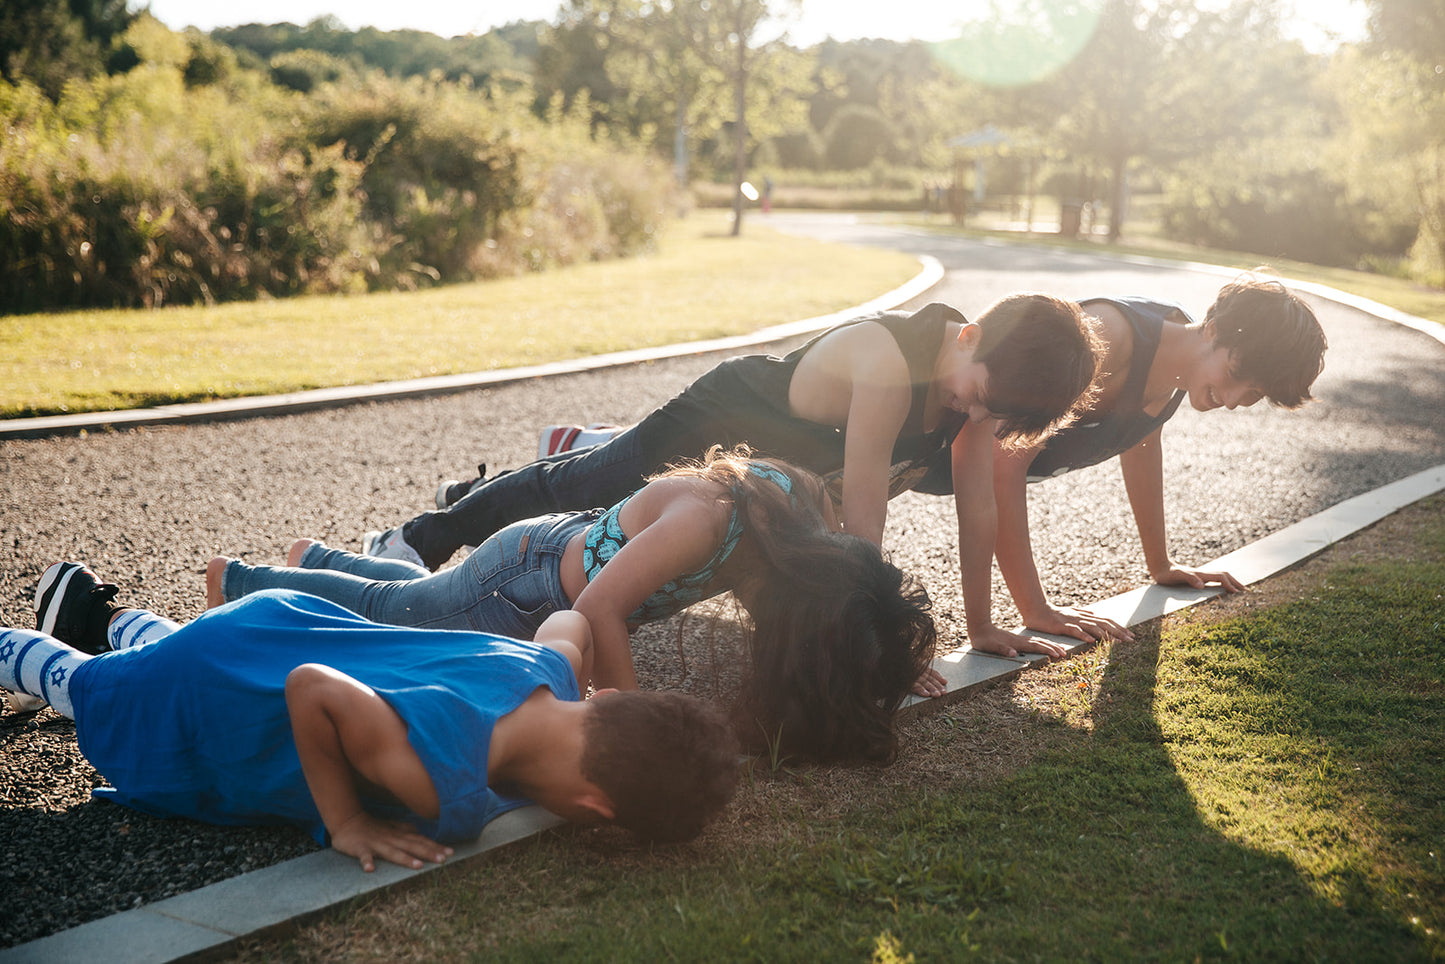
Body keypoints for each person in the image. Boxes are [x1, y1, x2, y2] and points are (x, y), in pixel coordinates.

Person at [365, 296, 1103, 664]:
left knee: (591, 491)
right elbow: (864, 520)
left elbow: (977, 509)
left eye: (991, 413)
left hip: (776, 472)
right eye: (973, 394)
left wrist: (981, 627)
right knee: (579, 488)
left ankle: (508, 480)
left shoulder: (978, 389)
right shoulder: (890, 365)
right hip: (724, 417)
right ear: (969, 337)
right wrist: (876, 640)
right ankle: (418, 536)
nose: (969, 413)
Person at [212, 450, 938, 765]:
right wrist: (627, 713)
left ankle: (319, 560)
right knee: (395, 610)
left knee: (410, 597)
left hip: (551, 569)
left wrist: (885, 663)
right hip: (526, 580)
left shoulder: (798, 517)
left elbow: (823, 625)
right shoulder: (709, 520)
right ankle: (240, 581)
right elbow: (597, 608)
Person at [4, 562, 741, 872]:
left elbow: (566, 620)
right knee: (90, 688)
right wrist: (346, 823)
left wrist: (588, 679)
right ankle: (33, 651)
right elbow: (311, 691)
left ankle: (108, 613)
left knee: (180, 653)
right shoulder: (441, 780)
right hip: (229, 692)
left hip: (276, 625)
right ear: (593, 806)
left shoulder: (550, 672)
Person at [906, 277, 1328, 645]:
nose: (1234, 402)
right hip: (907, 445)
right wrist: (1035, 608)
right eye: (1237, 376)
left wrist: (1160, 564)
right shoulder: (1109, 339)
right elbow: (1002, 465)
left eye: (1253, 395)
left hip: (922, 469)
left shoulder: (1180, 365)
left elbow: (1142, 444)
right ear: (1213, 331)